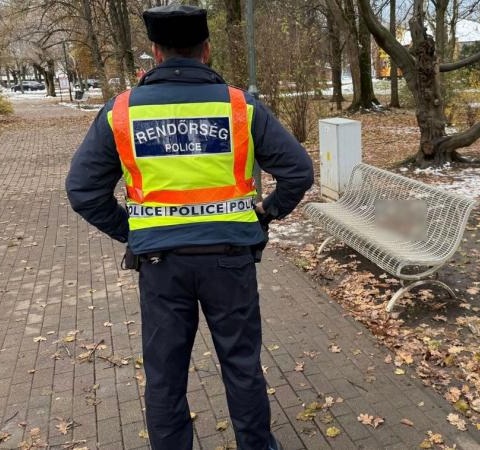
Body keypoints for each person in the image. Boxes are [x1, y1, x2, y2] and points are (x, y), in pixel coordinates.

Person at [65, 4, 313, 450]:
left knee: (164, 373)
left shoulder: (121, 112)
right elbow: (298, 172)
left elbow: (83, 190)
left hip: (161, 265)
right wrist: (267, 213)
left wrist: (133, 229)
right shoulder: (240, 107)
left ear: (155, 52)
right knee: (241, 364)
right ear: (207, 49)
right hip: (230, 261)